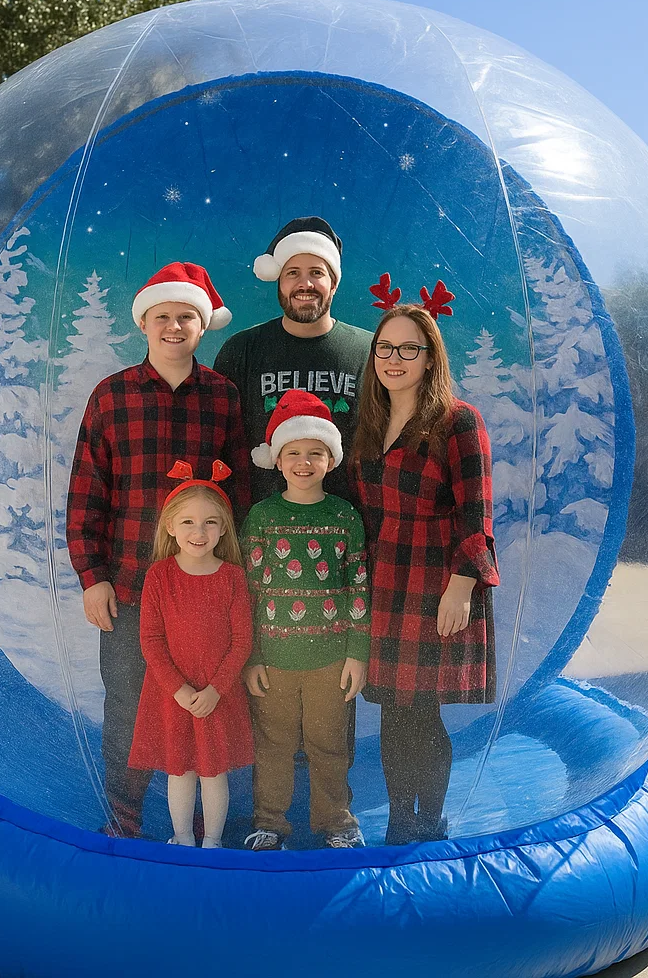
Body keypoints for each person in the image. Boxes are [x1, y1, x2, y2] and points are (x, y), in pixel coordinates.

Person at [67, 261, 250, 839]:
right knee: (127, 705)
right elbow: (86, 492)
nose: (175, 326)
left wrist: (236, 574)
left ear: (203, 327)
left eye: (187, 317)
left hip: (203, 593)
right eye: (164, 316)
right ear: (145, 323)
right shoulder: (112, 396)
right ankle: (124, 817)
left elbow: (239, 491)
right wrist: (90, 576)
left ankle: (202, 817)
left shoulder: (222, 397)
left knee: (204, 705)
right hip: (126, 585)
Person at [348, 301, 499, 846]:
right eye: (385, 347)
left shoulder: (457, 420)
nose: (395, 358)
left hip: (436, 585)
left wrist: (462, 588)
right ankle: (397, 821)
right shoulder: (367, 424)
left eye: (409, 347)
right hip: (384, 583)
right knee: (393, 710)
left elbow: (475, 514)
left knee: (424, 713)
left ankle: (428, 823)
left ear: (430, 357)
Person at [240, 390, 369, 850]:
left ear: (331, 460)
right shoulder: (262, 518)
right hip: (272, 660)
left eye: (316, 453)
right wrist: (250, 656)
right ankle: (269, 823)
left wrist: (357, 653)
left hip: (330, 661)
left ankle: (336, 821)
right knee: (273, 747)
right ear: (277, 460)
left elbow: (358, 587)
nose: (303, 461)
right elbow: (248, 591)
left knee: (329, 746)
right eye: (293, 452)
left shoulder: (344, 517)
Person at [127, 462, 254, 848]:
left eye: (211, 523)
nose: (199, 532)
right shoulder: (159, 576)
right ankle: (182, 837)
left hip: (218, 694)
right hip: (172, 694)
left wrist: (216, 689)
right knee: (180, 771)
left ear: (224, 528)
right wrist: (179, 690)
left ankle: (212, 841)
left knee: (214, 773)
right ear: (170, 526)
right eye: (188, 522)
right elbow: (151, 640)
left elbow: (242, 641)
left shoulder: (232, 576)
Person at [213, 216, 372, 505]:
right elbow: (220, 446)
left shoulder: (368, 351)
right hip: (258, 529)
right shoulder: (241, 350)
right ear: (278, 281)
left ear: (334, 283)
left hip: (348, 529)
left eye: (317, 273)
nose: (305, 284)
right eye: (293, 273)